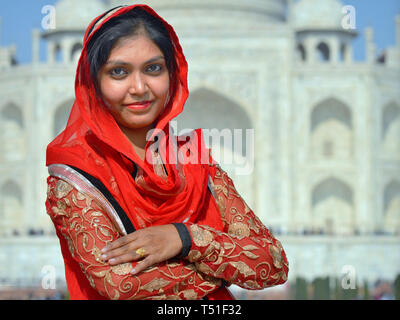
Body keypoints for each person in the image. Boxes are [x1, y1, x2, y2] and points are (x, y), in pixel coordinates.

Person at [45, 4, 289, 300]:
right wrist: (224, 269)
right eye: (119, 71)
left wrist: (184, 238)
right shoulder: (78, 175)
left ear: (173, 74)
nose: (139, 87)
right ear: (93, 81)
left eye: (153, 69)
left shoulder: (194, 161)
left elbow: (273, 263)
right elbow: (120, 285)